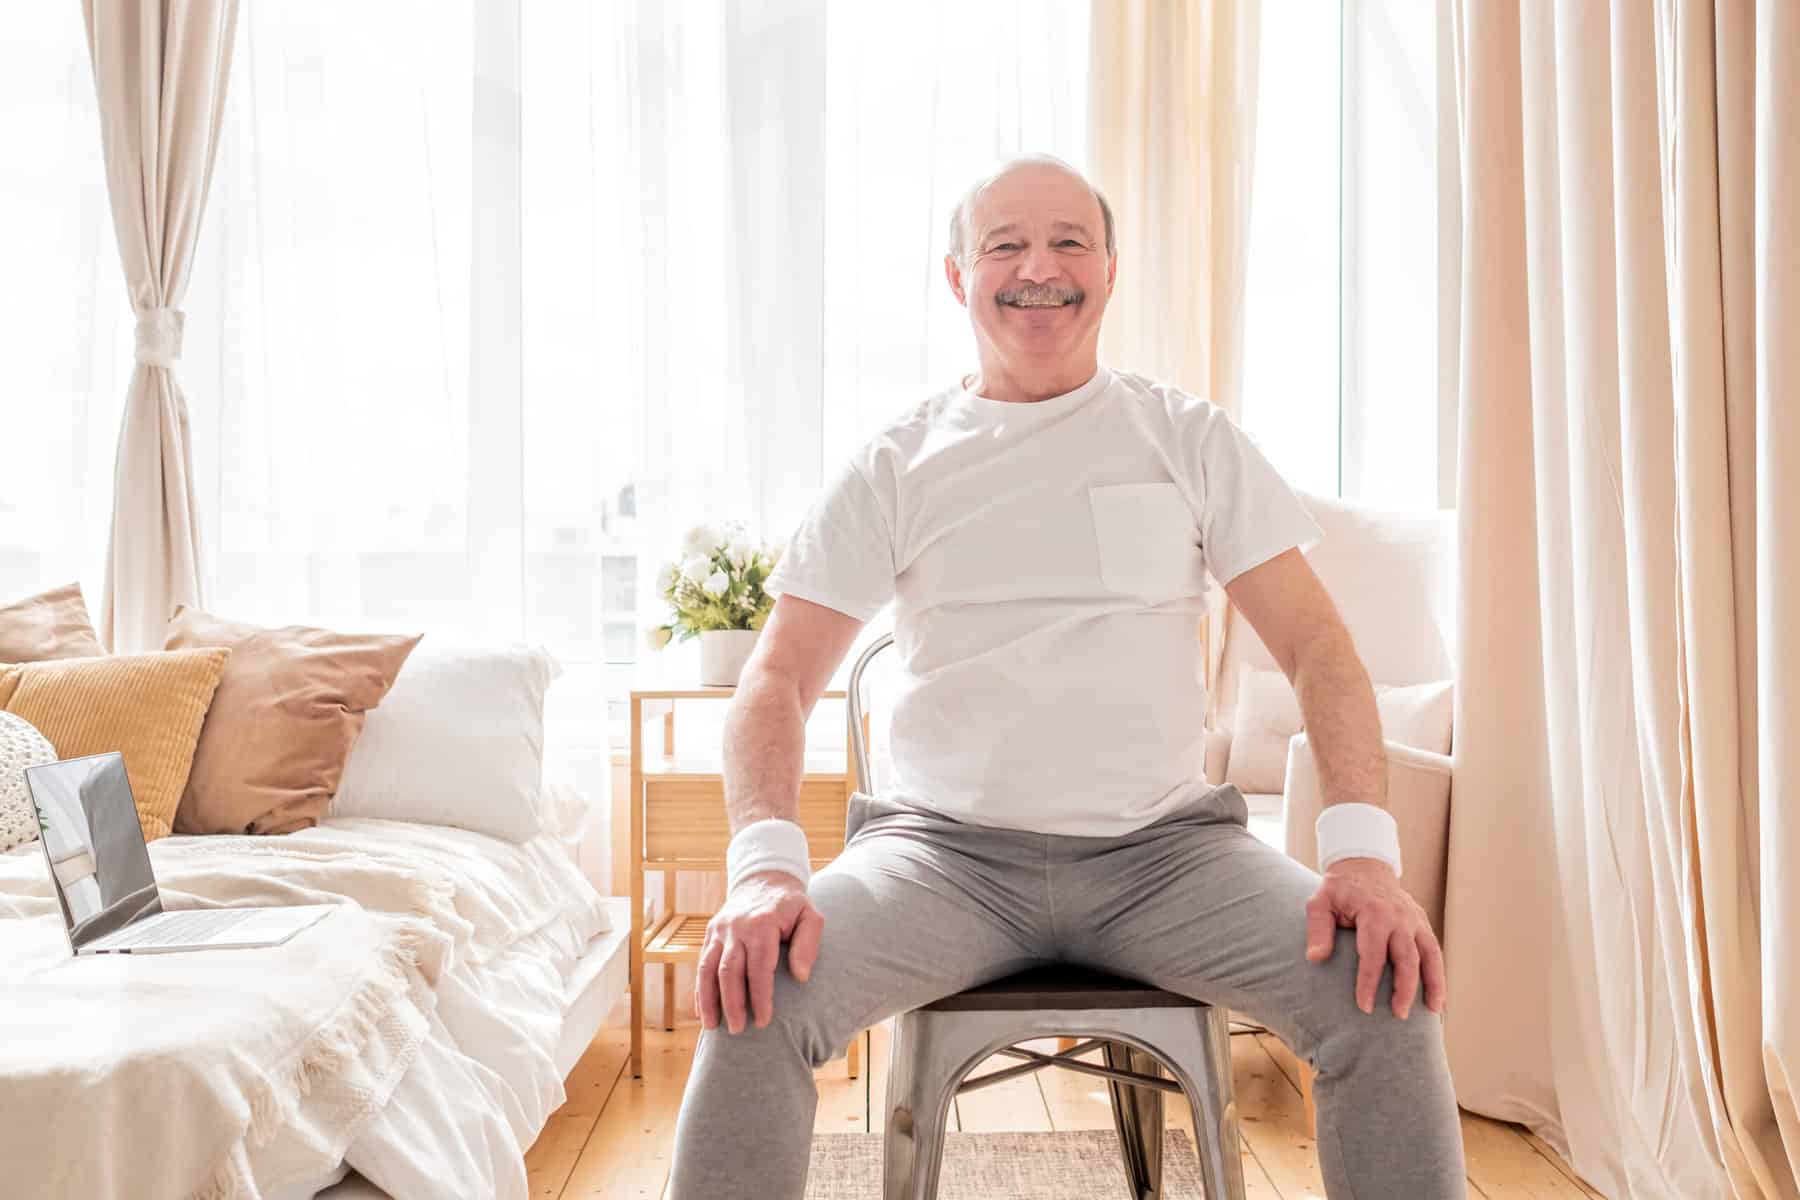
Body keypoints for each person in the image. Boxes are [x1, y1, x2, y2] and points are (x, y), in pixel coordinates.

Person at [666, 154, 1465, 1198]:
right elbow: (774, 681)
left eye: (1068, 242)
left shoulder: (1188, 439)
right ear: (958, 277)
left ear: (1111, 271)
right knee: (756, 992)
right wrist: (765, 868)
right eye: (1004, 244)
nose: (1037, 267)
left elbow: (1320, 649)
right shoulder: (895, 464)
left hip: (1169, 859)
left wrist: (1363, 855)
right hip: (941, 861)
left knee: (1384, 993)